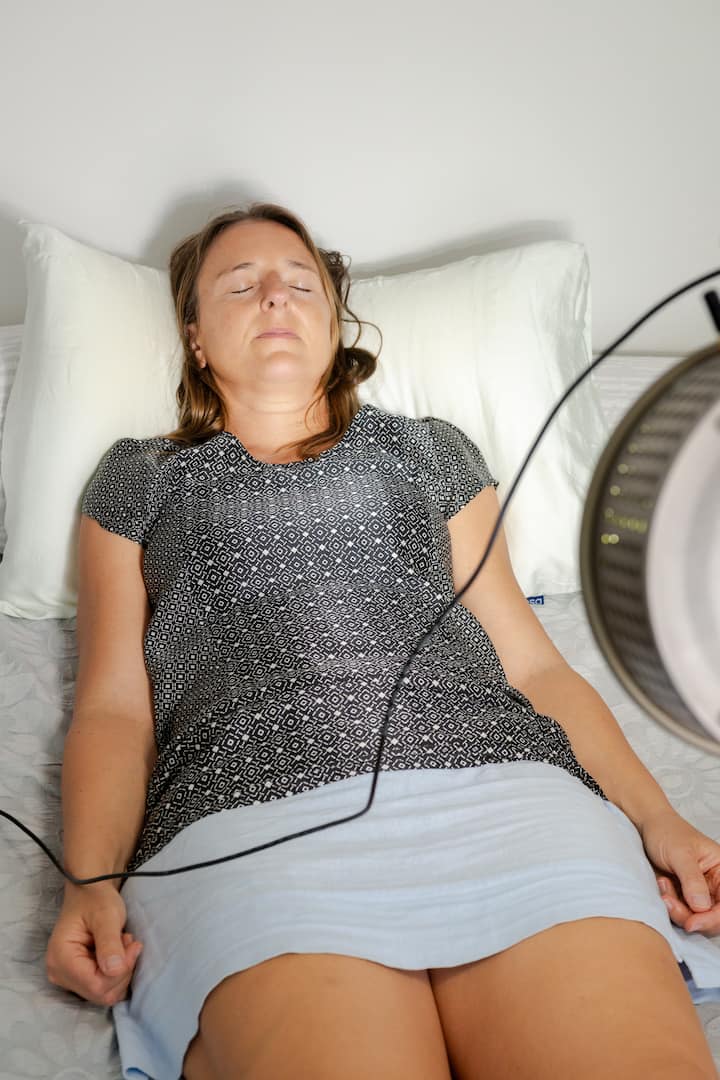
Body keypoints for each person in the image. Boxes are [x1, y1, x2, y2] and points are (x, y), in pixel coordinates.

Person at [46, 201, 720, 1080]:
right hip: (250, 827)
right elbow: (112, 708)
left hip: (510, 800)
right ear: (196, 337)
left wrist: (658, 818)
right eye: (241, 286)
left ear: (335, 322)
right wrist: (89, 881)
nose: (275, 297)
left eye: (301, 284)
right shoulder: (140, 478)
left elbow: (533, 665)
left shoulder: (432, 453)